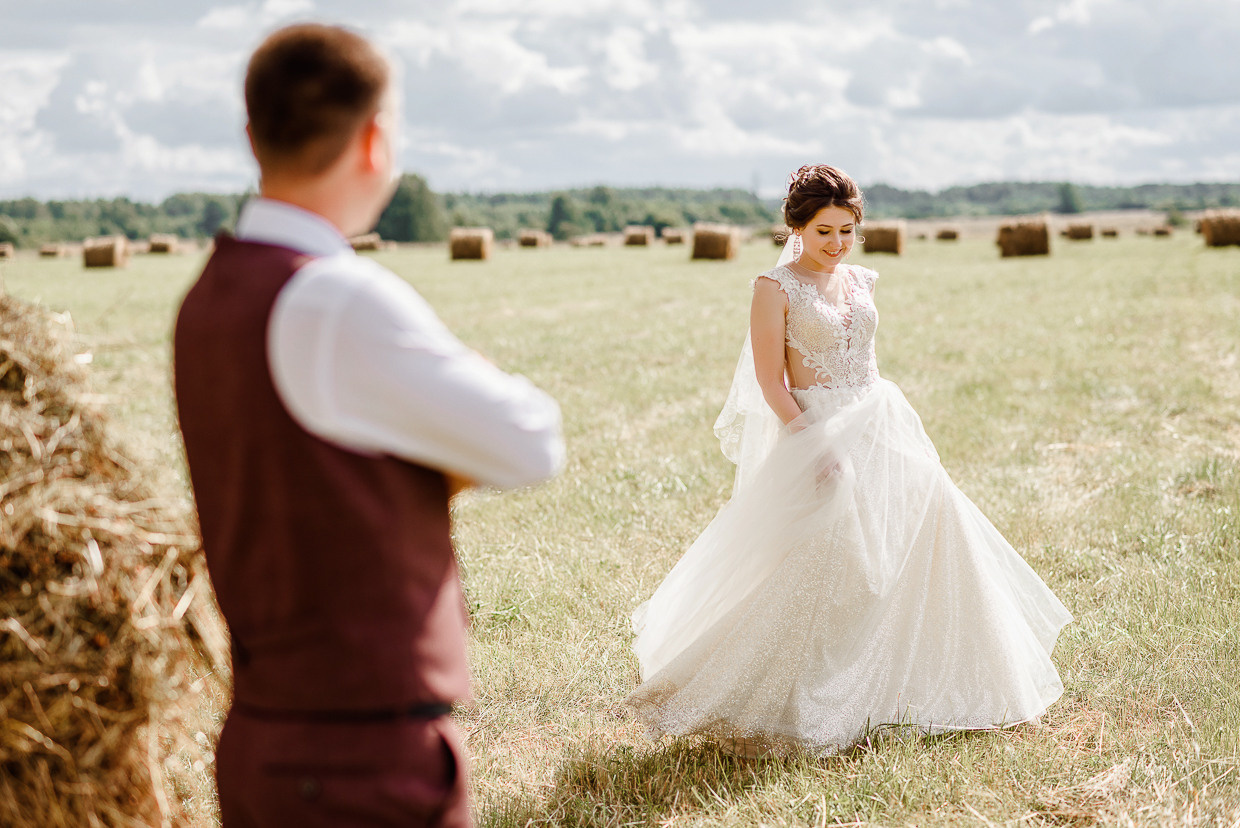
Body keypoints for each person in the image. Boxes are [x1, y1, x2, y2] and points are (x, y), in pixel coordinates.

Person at [174, 24, 564, 827]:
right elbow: (533, 443)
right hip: (361, 764)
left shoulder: (208, 298)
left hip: (267, 741)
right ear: (377, 138)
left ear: (252, 135)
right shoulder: (337, 297)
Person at [625, 164, 1070, 757]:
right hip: (817, 428)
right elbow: (769, 380)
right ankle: (804, 689)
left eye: (845, 231)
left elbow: (870, 361)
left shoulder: (863, 279)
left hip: (882, 420)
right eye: (823, 232)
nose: (836, 244)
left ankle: (940, 684)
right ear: (797, 228)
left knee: (928, 534)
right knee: (827, 560)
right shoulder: (773, 287)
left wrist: (895, 430)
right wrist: (816, 444)